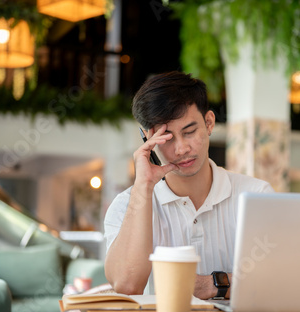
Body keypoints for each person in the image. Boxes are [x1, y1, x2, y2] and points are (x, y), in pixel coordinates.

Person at [103, 71, 273, 300]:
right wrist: (143, 186)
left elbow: (278, 279)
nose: (181, 149)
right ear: (147, 139)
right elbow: (127, 285)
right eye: (167, 138)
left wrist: (210, 285)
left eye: (190, 132)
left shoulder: (256, 195)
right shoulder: (126, 206)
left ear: (209, 123)